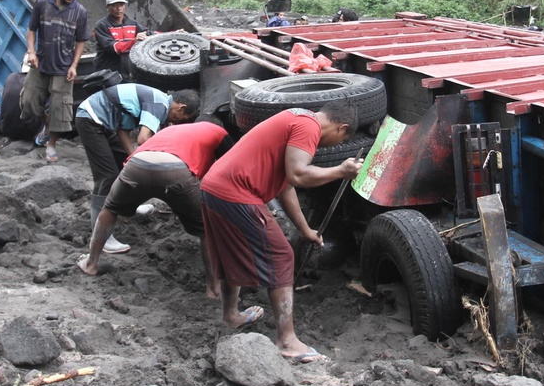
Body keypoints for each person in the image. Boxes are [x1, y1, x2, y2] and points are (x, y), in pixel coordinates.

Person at [200, 101, 362, 362]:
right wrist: (340, 171)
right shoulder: (308, 126)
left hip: (214, 187)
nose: (329, 148)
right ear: (342, 128)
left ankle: (231, 315)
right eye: (339, 141)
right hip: (236, 192)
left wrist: (305, 229)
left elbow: (286, 186)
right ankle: (287, 342)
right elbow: (298, 175)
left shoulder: (294, 118)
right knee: (281, 256)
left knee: (232, 253)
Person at [79, 117, 232, 296]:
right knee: (206, 230)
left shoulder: (173, 130)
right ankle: (213, 289)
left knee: (110, 209)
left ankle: (91, 263)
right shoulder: (218, 131)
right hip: (175, 171)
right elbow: (230, 167)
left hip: (136, 165)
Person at [75, 83, 199, 254]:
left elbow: (123, 131)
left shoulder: (158, 99)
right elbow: (143, 138)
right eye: (183, 117)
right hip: (91, 119)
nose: (178, 121)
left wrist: (133, 159)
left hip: (107, 123)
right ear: (180, 107)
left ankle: (129, 204)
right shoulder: (159, 104)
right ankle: (102, 238)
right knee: (107, 177)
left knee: (126, 167)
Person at [23, 0, 89, 163]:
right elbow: (32, 30)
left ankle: (51, 144)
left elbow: (81, 41)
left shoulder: (80, 12)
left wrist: (74, 65)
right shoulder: (42, 4)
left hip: (63, 67)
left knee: (60, 110)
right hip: (41, 62)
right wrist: (31, 52)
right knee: (28, 101)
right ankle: (45, 124)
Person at [93, 0, 143, 79]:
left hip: (128, 74)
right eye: (114, 5)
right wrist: (134, 41)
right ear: (107, 7)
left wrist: (172, 34)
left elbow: (150, 34)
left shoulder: (132, 23)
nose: (118, 8)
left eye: (121, 5)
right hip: (108, 75)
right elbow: (113, 48)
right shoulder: (102, 26)